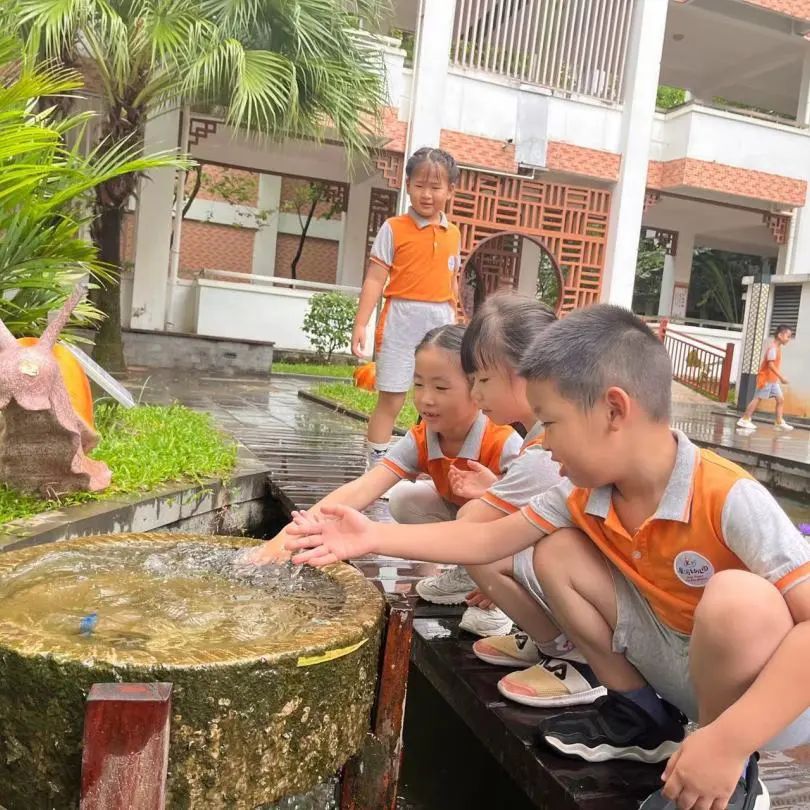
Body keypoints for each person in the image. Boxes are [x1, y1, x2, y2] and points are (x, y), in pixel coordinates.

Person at [286, 305, 810, 810]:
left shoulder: (728, 495)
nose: (544, 445)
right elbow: (485, 541)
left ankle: (731, 778)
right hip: (671, 669)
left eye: (551, 425)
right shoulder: (581, 494)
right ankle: (643, 716)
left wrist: (730, 739)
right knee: (555, 550)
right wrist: (370, 537)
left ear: (613, 410)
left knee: (738, 598)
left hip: (754, 698)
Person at [418, 292, 605, 709]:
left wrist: (360, 537)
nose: (476, 394)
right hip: (592, 578)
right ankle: (546, 635)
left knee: (481, 539)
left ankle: (570, 654)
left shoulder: (546, 448)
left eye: (482, 380)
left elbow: (473, 532)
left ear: (525, 374)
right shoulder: (540, 434)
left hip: (604, 597)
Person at [245, 324, 520, 567]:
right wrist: (283, 540)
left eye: (441, 388)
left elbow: (537, 512)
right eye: (419, 384)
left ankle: (492, 584)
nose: (425, 399)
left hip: (510, 539)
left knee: (478, 512)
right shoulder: (422, 437)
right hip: (464, 526)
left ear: (476, 388)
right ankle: (461, 573)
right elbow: (362, 489)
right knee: (404, 500)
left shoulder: (503, 441)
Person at [351, 147, 462, 473]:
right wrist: (362, 324)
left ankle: (431, 467)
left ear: (450, 191)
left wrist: (455, 322)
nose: (427, 194)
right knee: (393, 399)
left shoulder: (453, 233)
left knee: (439, 399)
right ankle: (375, 469)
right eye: (419, 185)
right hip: (401, 321)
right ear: (408, 185)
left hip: (440, 322)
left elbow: (452, 281)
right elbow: (374, 279)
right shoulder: (393, 228)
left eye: (436, 187)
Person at [737, 324, 794, 431]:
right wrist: (781, 377)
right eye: (788, 336)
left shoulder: (777, 348)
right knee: (757, 399)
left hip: (772, 380)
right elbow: (770, 365)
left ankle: (779, 421)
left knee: (780, 399)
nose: (788, 339)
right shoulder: (773, 348)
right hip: (766, 379)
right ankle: (745, 419)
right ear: (780, 335)